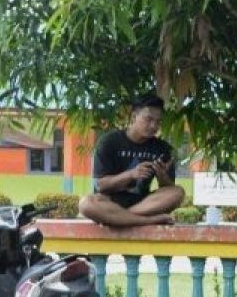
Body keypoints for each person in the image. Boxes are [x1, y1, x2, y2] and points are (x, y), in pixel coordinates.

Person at [78, 92, 186, 226]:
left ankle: (119, 218)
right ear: (134, 116)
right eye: (148, 119)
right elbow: (100, 185)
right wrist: (131, 174)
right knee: (86, 204)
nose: (154, 126)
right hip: (109, 202)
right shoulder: (109, 142)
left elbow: (167, 191)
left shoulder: (162, 149)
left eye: (158, 122)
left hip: (143, 204)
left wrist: (163, 177)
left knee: (178, 192)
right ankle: (146, 221)